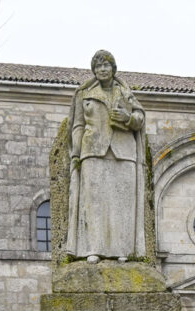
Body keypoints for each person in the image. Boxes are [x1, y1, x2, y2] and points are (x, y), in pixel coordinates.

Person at [65, 49, 147, 262]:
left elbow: (140, 117)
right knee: (94, 203)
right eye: (98, 66)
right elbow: (77, 125)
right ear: (94, 71)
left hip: (123, 151)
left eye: (106, 65)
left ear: (113, 68)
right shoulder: (84, 93)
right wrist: (76, 154)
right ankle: (94, 249)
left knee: (123, 204)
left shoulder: (125, 92)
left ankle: (123, 250)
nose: (102, 69)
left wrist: (128, 118)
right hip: (92, 150)